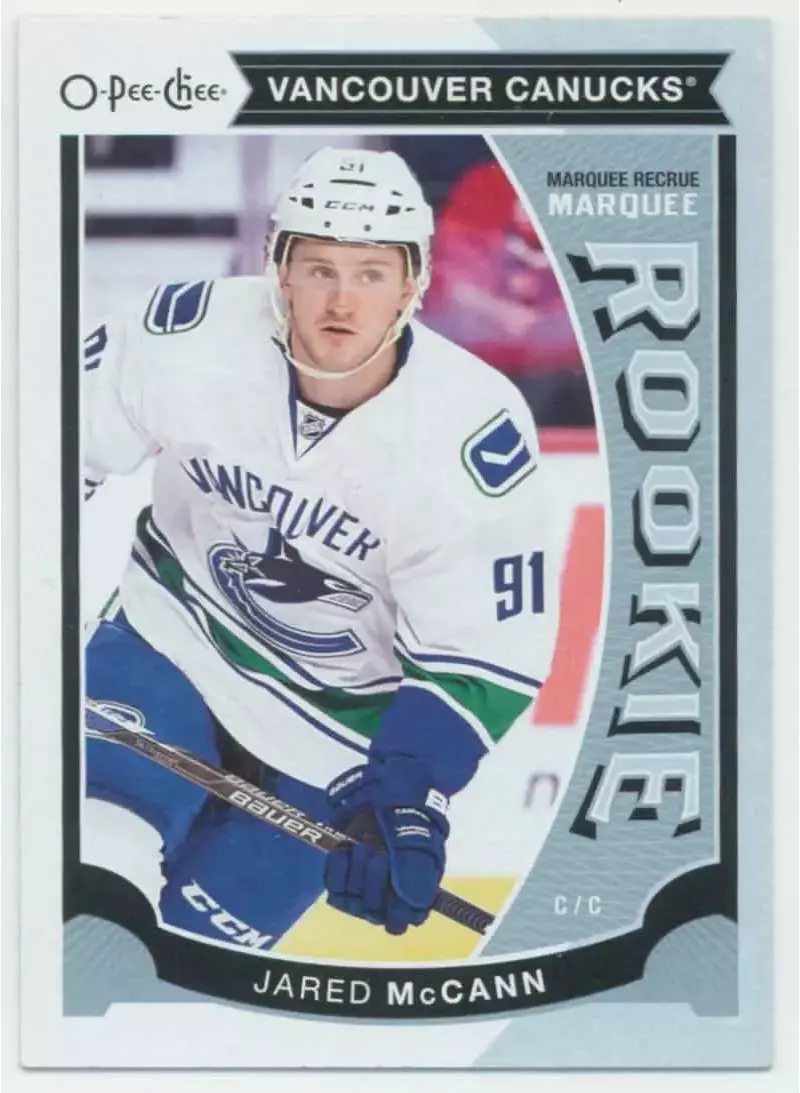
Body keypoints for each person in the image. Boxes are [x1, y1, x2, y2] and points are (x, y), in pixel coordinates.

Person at [82, 146, 560, 950]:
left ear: (413, 284)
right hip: (170, 644)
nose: (342, 300)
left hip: (337, 737)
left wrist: (405, 797)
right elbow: (40, 455)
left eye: (371, 273)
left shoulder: (468, 431)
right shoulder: (187, 334)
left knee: (199, 957)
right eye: (319, 269)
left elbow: (479, 658)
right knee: (96, 870)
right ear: (279, 267)